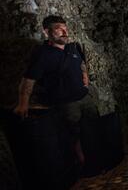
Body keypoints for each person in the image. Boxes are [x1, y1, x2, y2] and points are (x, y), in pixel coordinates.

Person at [13, 15, 98, 164]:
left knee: (93, 127)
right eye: (59, 29)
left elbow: (81, 63)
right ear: (47, 32)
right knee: (74, 134)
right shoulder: (43, 54)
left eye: (65, 28)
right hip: (66, 103)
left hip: (85, 97)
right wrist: (23, 103)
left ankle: (98, 158)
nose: (65, 32)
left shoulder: (73, 47)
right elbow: (29, 79)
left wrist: (85, 77)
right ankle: (84, 164)